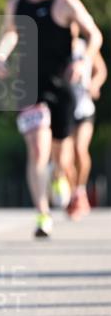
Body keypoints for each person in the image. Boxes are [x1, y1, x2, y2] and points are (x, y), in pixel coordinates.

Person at [0, 0, 102, 237]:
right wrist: (0, 57)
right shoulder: (16, 4)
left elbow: (95, 35)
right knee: (38, 149)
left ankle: (59, 176)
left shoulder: (65, 3)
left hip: (62, 87)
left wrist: (83, 61)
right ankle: (42, 215)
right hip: (29, 87)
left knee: (62, 155)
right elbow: (10, 33)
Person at [67, 29, 107, 219]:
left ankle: (80, 191)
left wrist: (95, 84)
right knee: (65, 160)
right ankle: (72, 193)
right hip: (63, 108)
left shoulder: (86, 47)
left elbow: (101, 70)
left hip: (83, 107)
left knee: (80, 150)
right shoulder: (56, 46)